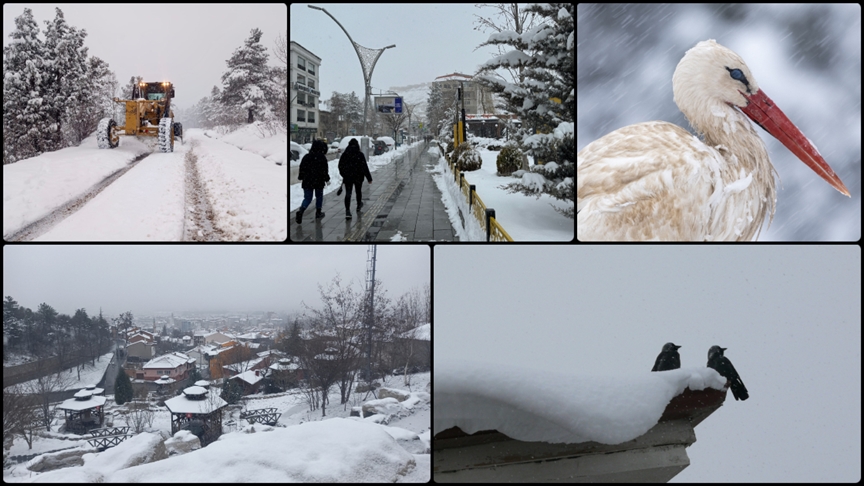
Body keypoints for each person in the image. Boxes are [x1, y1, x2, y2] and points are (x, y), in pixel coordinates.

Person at [295, 139, 330, 223]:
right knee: (319, 197)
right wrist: (327, 179)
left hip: (307, 181)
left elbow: (302, 168)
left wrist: (301, 177)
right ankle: (318, 212)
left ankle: (301, 211)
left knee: (307, 198)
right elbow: (324, 170)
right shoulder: (322, 157)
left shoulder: (306, 157)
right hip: (319, 181)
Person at [338, 138, 373, 220]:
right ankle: (358, 205)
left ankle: (347, 211)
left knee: (348, 193)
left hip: (348, 177)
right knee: (358, 191)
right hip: (358, 177)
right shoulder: (360, 154)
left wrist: (344, 174)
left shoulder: (345, 154)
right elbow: (364, 167)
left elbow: (340, 166)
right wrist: (369, 178)